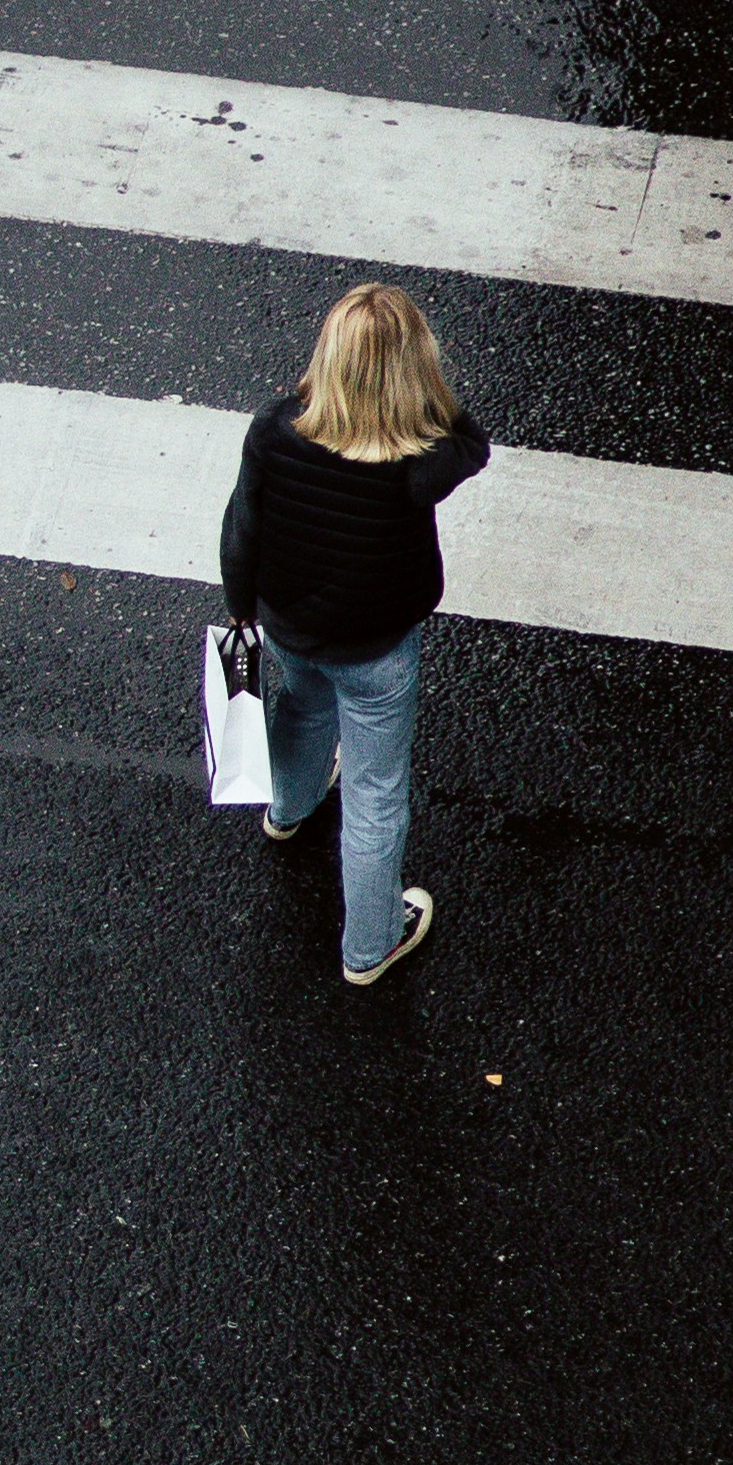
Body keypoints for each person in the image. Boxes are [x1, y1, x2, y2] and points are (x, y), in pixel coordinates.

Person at [220, 285, 489, 984]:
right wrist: (429, 395)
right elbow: (473, 441)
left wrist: (241, 609)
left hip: (286, 622)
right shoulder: (421, 463)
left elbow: (242, 524)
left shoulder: (275, 429)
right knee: (374, 794)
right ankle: (370, 945)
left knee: (301, 705)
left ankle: (288, 806)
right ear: (414, 370)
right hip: (375, 648)